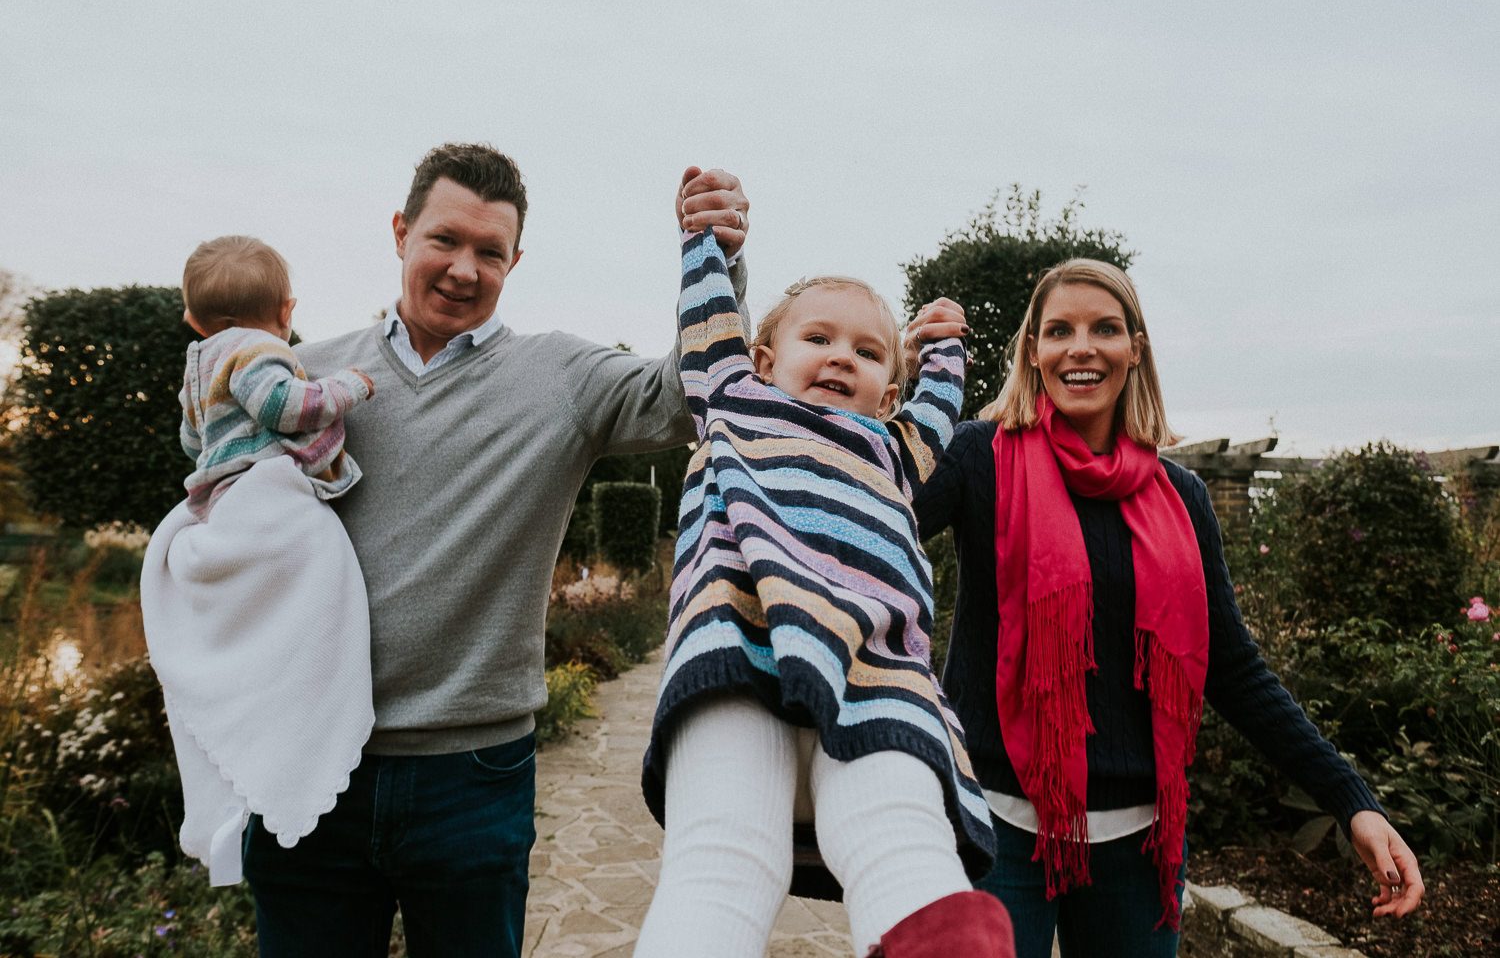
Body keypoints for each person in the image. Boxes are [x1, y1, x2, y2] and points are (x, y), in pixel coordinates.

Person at [239, 145, 753, 958]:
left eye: (490, 251)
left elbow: (690, 398)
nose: (463, 269)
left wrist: (717, 262)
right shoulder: (304, 377)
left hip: (472, 775)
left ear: (516, 260)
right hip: (310, 765)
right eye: (444, 240)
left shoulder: (559, 379)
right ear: (402, 232)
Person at [911, 258, 1426, 958]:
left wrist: (1352, 800)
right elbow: (862, 524)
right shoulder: (980, 457)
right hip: (995, 833)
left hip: (1138, 849)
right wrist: (912, 405)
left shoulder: (1181, 498)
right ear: (1033, 351)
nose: (1081, 347)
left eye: (1105, 328)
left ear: (1135, 350)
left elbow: (1234, 670)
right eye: (1058, 330)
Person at [635, 226, 1015, 958]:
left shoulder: (895, 451)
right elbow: (707, 319)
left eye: (869, 352)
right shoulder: (735, 398)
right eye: (820, 338)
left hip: (878, 675)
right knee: (725, 858)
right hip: (736, 648)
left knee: (908, 843)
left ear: (889, 394)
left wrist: (942, 343)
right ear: (765, 359)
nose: (843, 355)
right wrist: (705, 238)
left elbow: (940, 404)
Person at [141, 235, 377, 887]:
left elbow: (194, 437)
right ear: (285, 309)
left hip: (216, 494)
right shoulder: (259, 351)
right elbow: (289, 407)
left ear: (192, 319)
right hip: (265, 491)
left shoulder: (197, 363)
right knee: (321, 583)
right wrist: (349, 387)